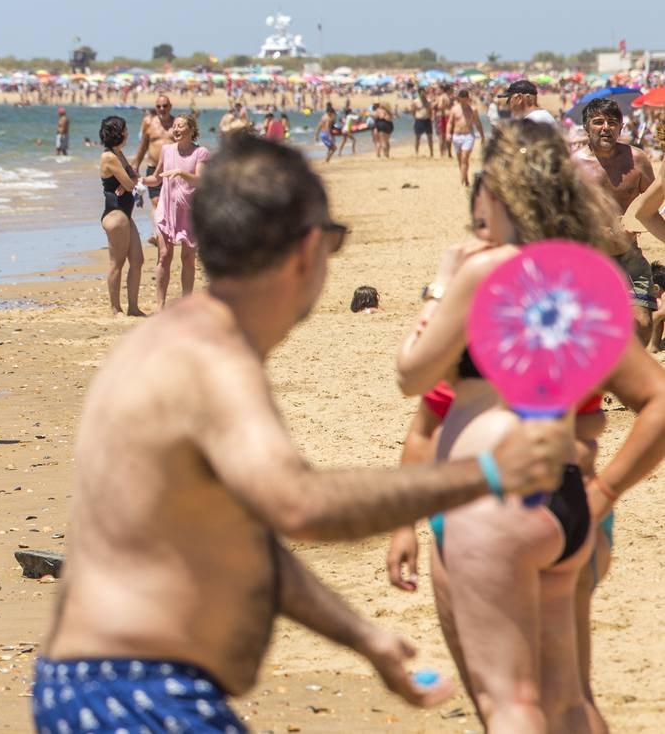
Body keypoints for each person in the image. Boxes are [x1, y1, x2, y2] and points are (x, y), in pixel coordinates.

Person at [34, 137, 570, 733]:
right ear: (309, 248)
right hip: (138, 695)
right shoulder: (213, 362)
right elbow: (301, 506)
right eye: (335, 243)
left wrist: (363, 637)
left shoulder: (177, 342)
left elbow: (247, 543)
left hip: (102, 685)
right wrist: (488, 474)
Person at [389, 164, 665, 731]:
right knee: (568, 698)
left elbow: (417, 392)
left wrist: (441, 286)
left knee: (506, 703)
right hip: (569, 507)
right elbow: (424, 424)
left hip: (484, 510)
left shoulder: (490, 308)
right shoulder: (579, 303)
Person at [572, 97, 657, 343]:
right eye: (598, 122)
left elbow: (655, 203)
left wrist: (638, 223)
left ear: (621, 127)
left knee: (642, 324)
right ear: (587, 128)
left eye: (612, 122)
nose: (605, 127)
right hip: (588, 259)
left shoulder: (637, 160)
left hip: (629, 255)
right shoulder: (573, 165)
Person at [140, 115, 208, 308]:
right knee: (164, 255)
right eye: (175, 126)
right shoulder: (167, 150)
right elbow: (157, 178)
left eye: (180, 126)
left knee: (187, 259)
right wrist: (141, 181)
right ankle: (160, 307)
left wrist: (180, 173)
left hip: (189, 211)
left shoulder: (201, 152)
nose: (176, 129)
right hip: (166, 209)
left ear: (191, 130)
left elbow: (199, 180)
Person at [98, 116, 144, 316]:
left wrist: (130, 180)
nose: (127, 132)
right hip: (115, 214)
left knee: (137, 260)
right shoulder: (109, 157)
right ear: (118, 132)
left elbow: (133, 176)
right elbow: (131, 184)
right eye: (125, 129)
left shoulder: (119, 153)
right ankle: (115, 308)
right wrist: (129, 181)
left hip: (126, 214)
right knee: (117, 262)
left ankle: (133, 308)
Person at [131, 94, 176, 233]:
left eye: (165, 106)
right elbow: (143, 145)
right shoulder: (149, 122)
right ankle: (158, 233)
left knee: (171, 202)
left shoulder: (177, 124)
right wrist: (135, 164)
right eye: (158, 106)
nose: (162, 109)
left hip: (172, 169)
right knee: (156, 201)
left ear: (170, 107)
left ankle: (170, 230)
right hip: (153, 168)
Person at [447, 90, 485, 187]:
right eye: (461, 98)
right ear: (459, 98)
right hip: (456, 136)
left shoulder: (473, 109)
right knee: (460, 160)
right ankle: (466, 179)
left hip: (468, 136)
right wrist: (448, 133)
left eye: (465, 98)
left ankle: (461, 181)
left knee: (464, 158)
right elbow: (450, 122)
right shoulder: (454, 109)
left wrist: (482, 135)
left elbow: (477, 123)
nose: (463, 100)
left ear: (468, 98)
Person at [411, 88, 435, 157]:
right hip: (419, 120)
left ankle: (431, 152)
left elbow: (431, 110)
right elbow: (413, 111)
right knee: (417, 137)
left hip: (427, 120)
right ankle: (416, 152)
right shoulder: (415, 101)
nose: (423, 94)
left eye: (424, 92)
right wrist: (415, 118)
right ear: (419, 93)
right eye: (421, 93)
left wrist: (432, 117)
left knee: (430, 137)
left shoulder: (428, 101)